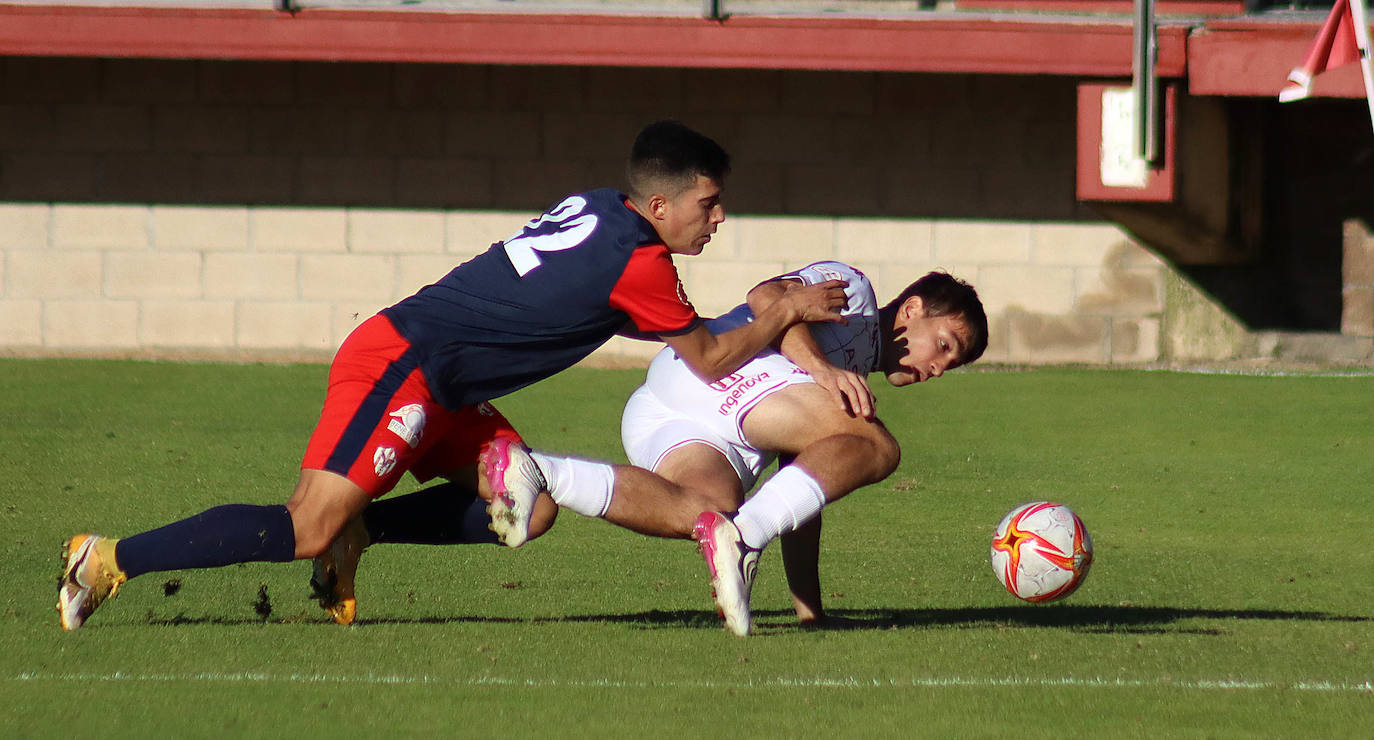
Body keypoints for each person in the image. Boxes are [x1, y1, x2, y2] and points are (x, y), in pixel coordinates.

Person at [57, 120, 849, 630]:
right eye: (709, 205)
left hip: (448, 387)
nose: (718, 219)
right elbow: (710, 359)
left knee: (526, 512)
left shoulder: (603, 209)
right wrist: (784, 311)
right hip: (402, 363)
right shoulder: (637, 262)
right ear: (661, 202)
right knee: (305, 526)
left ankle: (362, 528)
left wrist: (774, 312)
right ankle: (108, 557)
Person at [495, 261, 987, 636]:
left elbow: (803, 494)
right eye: (944, 345)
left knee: (707, 512)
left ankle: (541, 472)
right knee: (876, 444)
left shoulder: (843, 386)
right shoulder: (854, 294)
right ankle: (746, 538)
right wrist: (820, 369)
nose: (940, 368)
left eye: (954, 362)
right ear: (912, 309)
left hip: (664, 412)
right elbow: (767, 295)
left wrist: (811, 614)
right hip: (719, 372)